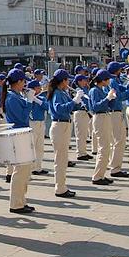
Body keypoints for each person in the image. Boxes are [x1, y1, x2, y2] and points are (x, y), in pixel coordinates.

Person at [1, 69, 35, 211]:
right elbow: (21, 117)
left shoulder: (15, 95)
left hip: (22, 134)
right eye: (23, 81)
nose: (25, 84)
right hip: (17, 135)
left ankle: (21, 200)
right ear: (19, 81)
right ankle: (16, 203)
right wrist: (29, 102)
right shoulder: (12, 98)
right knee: (20, 171)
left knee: (25, 170)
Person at [47, 69, 80, 198]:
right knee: (60, 159)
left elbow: (71, 107)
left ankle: (62, 186)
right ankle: (60, 188)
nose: (69, 82)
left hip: (64, 125)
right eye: (67, 80)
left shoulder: (62, 92)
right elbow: (59, 108)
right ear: (63, 81)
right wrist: (73, 101)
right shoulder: (57, 93)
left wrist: (78, 102)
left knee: (62, 158)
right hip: (59, 125)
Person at [88, 70, 117, 185]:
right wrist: (107, 98)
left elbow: (108, 105)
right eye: (108, 79)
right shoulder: (94, 90)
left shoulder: (100, 89)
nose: (109, 81)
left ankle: (101, 174)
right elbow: (95, 106)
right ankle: (97, 176)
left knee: (106, 147)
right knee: (103, 148)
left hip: (104, 116)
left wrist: (112, 98)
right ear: (103, 80)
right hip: (99, 117)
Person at [26, 80, 49, 175]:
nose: (40, 89)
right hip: (32, 123)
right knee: (32, 146)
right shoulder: (27, 98)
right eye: (38, 87)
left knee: (40, 147)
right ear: (33, 89)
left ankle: (38, 167)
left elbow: (47, 107)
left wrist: (38, 101)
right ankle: (31, 168)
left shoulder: (41, 98)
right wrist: (31, 99)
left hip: (41, 122)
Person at [71, 74, 93, 162]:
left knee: (84, 134)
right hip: (79, 112)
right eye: (84, 80)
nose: (86, 81)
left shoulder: (85, 88)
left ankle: (83, 152)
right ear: (79, 81)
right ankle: (80, 153)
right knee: (80, 134)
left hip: (85, 113)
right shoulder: (76, 90)